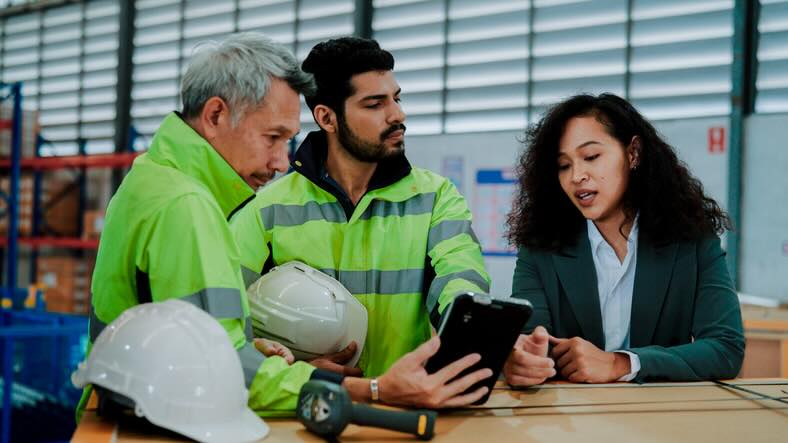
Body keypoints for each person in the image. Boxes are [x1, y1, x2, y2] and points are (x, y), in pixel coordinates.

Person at [83, 32, 490, 418]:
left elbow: (200, 340)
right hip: (166, 419)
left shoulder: (151, 181)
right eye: (273, 137)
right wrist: (370, 388)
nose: (280, 161)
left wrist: (485, 344)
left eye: (397, 99)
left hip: (142, 410)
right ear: (215, 115)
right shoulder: (199, 205)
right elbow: (216, 369)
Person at [230, 37, 491, 383]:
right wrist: (289, 371)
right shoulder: (267, 207)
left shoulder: (436, 198)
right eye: (374, 104)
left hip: (403, 412)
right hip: (301, 416)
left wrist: (489, 342)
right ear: (327, 117)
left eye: (396, 99)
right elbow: (223, 320)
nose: (397, 115)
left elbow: (463, 288)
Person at [502, 93, 744, 385]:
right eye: (564, 165)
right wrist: (520, 360)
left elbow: (725, 348)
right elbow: (529, 340)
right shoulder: (540, 247)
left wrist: (620, 363)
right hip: (568, 423)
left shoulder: (692, 239)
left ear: (633, 154)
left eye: (591, 157)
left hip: (662, 420)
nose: (577, 175)